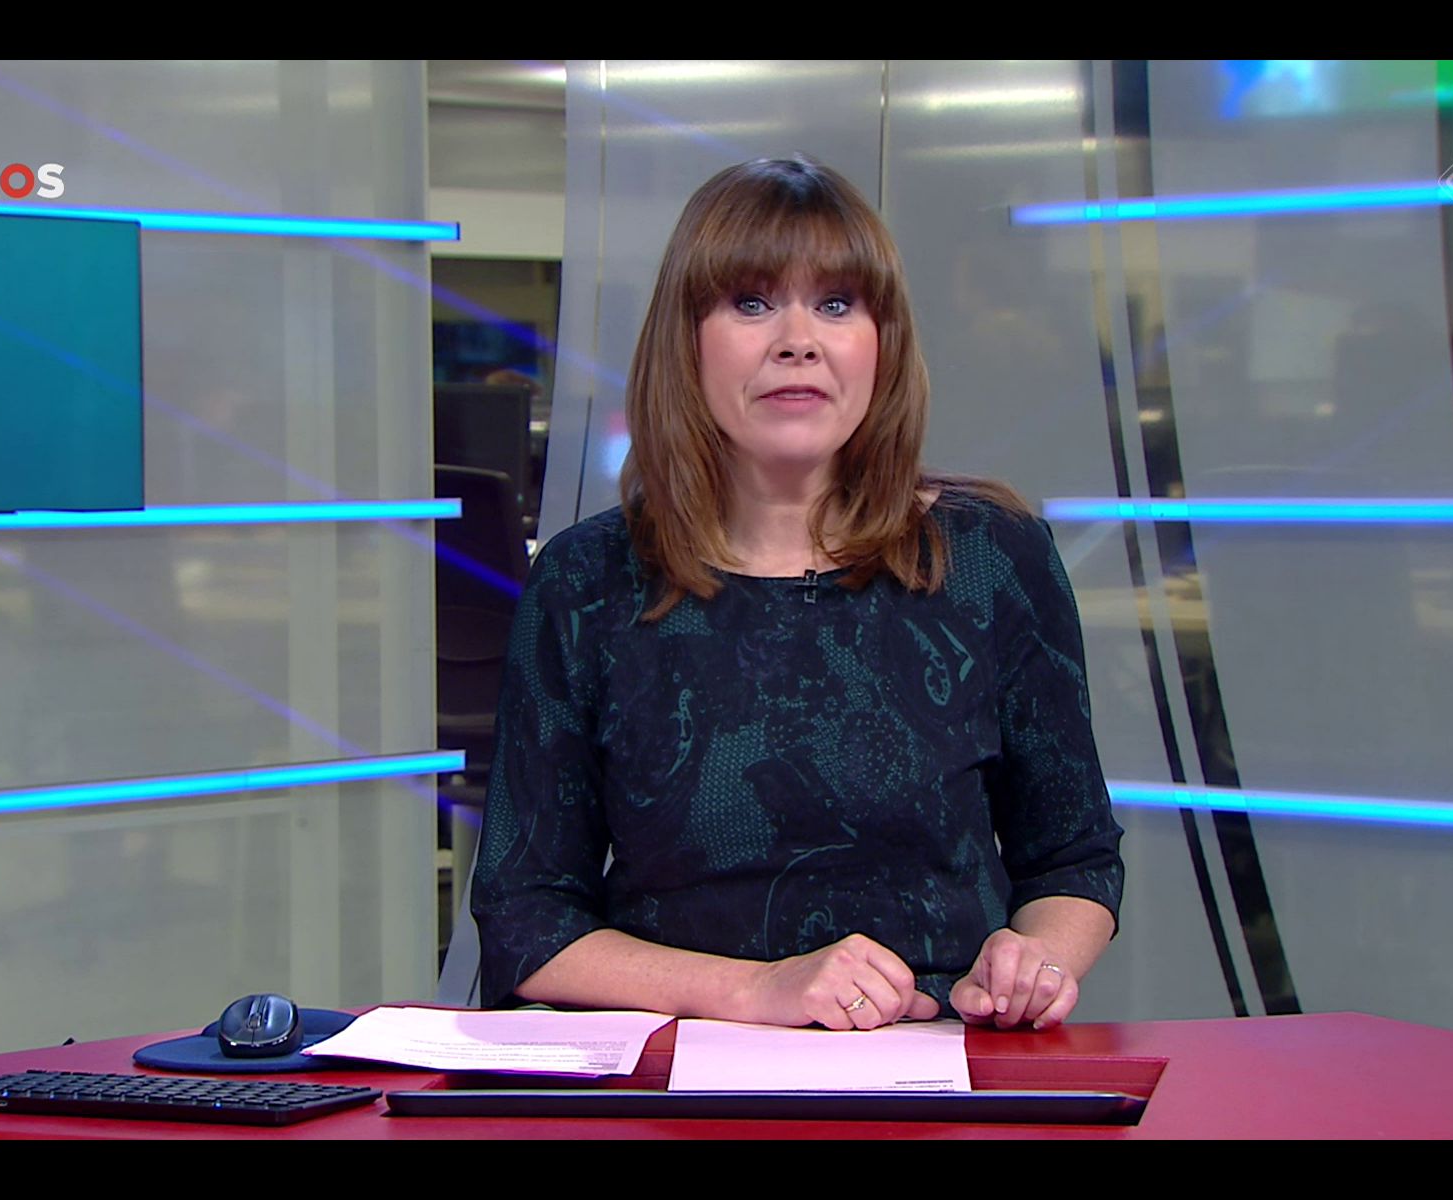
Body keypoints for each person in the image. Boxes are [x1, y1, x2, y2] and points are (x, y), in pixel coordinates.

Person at [470, 155, 1122, 1033]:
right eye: (750, 303)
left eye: (838, 305)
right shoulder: (586, 582)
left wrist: (1034, 958)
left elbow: (1073, 860)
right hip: (688, 1061)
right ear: (686, 340)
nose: (798, 339)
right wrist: (756, 990)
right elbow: (525, 919)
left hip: (939, 1054)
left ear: (882, 342)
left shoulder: (991, 557)